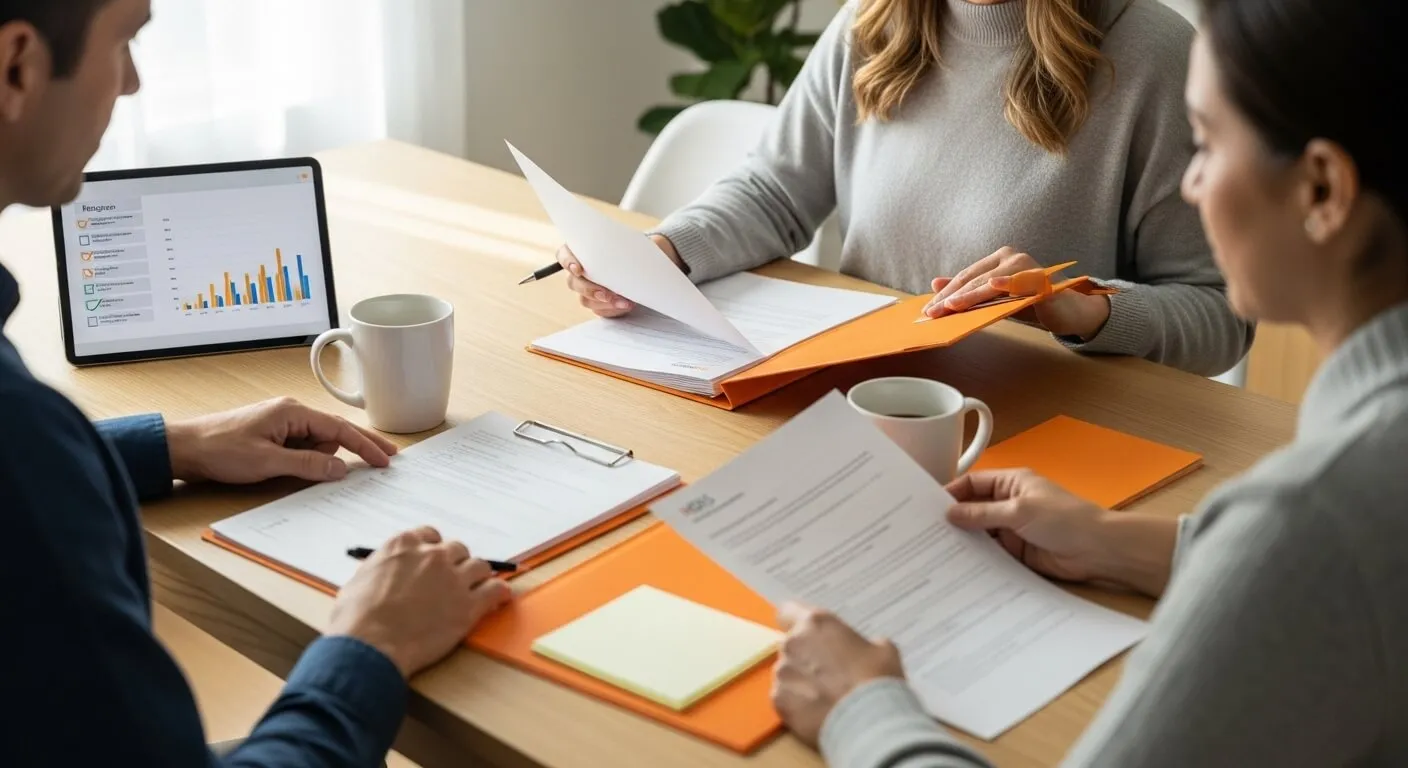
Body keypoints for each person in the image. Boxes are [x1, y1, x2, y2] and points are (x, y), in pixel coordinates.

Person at [769, 0, 1408, 765]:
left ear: (1322, 191)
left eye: (1204, 143)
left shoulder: (1307, 516)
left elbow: (1306, 550)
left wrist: (863, 712)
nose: (1195, 185)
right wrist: (1126, 545)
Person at [0, 1, 510, 765]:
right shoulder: (21, 448)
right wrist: (368, 644)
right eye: (126, 40)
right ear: (18, 66)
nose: (133, 84)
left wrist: (173, 445)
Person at [558, 0, 1256, 377]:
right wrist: (664, 251)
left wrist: (1083, 311)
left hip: (1035, 433)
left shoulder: (1153, 55)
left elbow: (1221, 316)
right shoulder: (876, 18)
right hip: (858, 397)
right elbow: (775, 190)